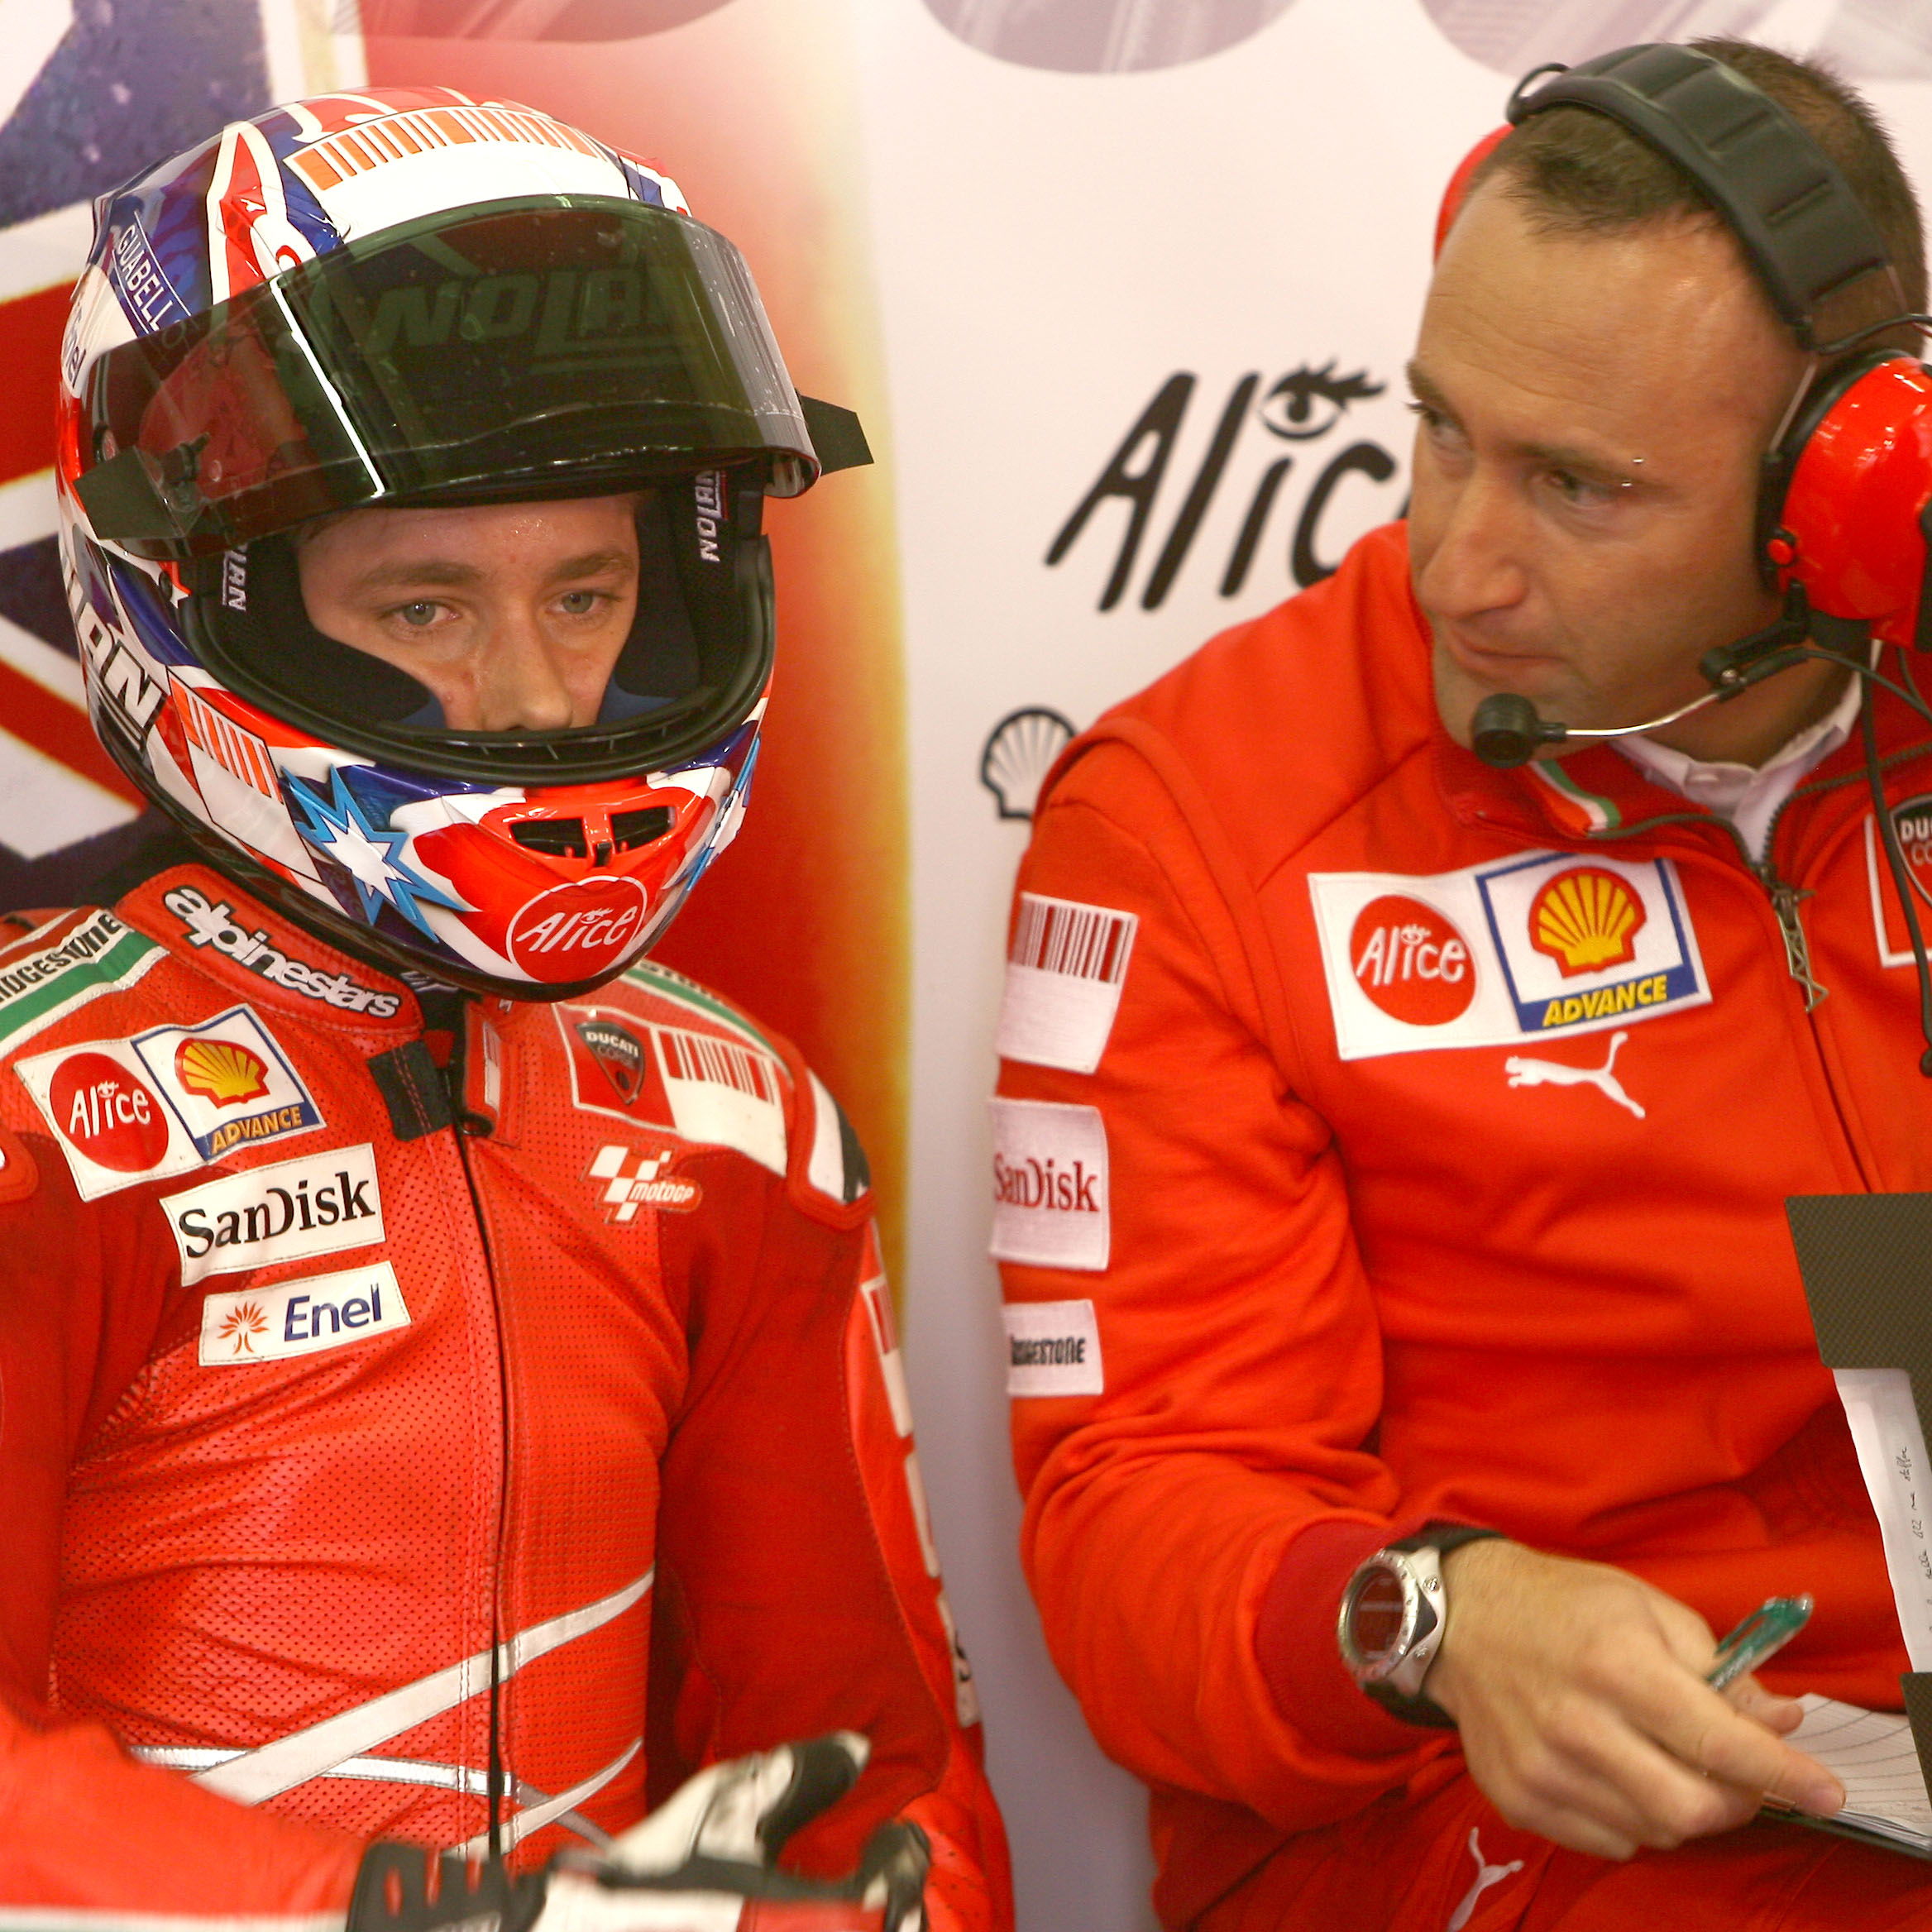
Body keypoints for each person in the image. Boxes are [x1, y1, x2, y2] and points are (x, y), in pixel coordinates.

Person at [0, 87, 1009, 1930]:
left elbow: (878, 1783)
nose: (539, 699)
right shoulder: (39, 1108)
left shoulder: (734, 1122)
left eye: (591, 588)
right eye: (426, 608)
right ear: (194, 595)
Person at [992, 36, 1932, 1932]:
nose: (1454, 561)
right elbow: (1137, 1520)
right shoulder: (1196, 823)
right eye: (1438, 432)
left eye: (1578, 489)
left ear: (1839, 503)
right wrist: (1431, 1615)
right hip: (1506, 1828)